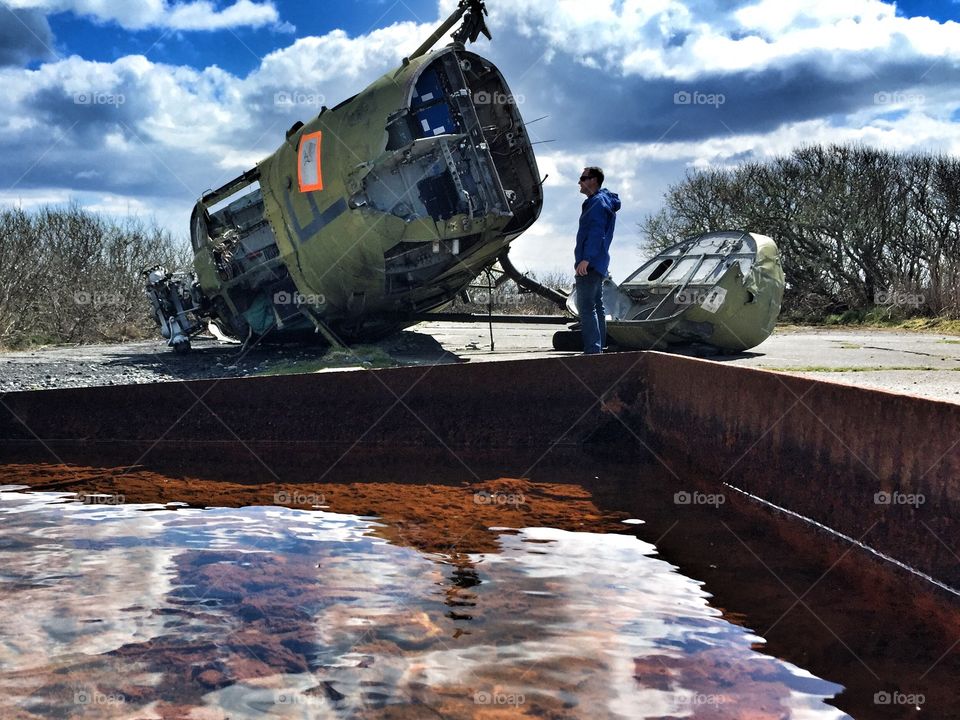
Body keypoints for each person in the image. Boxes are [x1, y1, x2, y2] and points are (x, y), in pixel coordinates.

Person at [574, 166, 621, 354]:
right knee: (596, 305)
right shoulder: (604, 201)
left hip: (591, 262)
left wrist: (586, 259)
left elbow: (596, 232)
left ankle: (593, 351)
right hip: (600, 262)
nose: (579, 182)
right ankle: (599, 347)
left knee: (585, 307)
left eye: (583, 178)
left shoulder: (596, 203)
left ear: (593, 180)